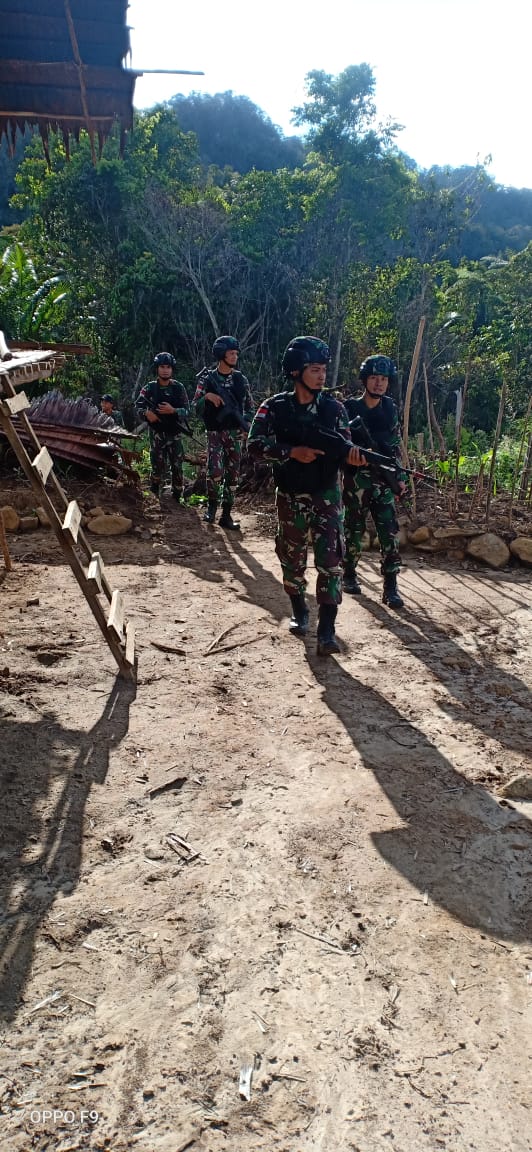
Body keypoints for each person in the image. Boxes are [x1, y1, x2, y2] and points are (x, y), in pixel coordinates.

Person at [247, 335, 366, 657]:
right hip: (290, 495)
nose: (322, 376)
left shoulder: (335, 409)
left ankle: (327, 630)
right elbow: (254, 446)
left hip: (326, 494)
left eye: (324, 369)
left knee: (331, 560)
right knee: (291, 557)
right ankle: (300, 611)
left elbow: (345, 447)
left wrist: (353, 459)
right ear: (297, 371)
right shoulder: (273, 407)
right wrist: (290, 452)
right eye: (315, 369)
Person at [343, 354, 407, 608]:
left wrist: (399, 478)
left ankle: (390, 585)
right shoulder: (349, 408)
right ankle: (348, 573)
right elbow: (339, 444)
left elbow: (394, 446)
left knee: (389, 532)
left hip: (383, 479)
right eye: (374, 378)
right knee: (353, 529)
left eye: (384, 379)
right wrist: (350, 458)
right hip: (357, 480)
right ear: (364, 381)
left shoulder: (390, 408)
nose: (379, 383)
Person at [193, 335, 254, 530]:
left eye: (236, 353)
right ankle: (211, 508)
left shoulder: (240, 379)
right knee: (215, 471)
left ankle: (226, 514)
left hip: (235, 433)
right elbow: (194, 406)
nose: (235, 356)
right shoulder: (207, 379)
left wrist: (247, 426)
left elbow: (249, 406)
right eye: (231, 353)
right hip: (214, 432)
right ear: (221, 355)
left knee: (233, 475)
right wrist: (208, 397)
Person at [135, 352, 190, 501]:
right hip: (157, 433)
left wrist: (173, 410)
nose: (165, 370)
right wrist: (147, 413)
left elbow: (188, 410)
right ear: (157, 369)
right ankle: (154, 493)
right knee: (157, 464)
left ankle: (177, 495)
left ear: (172, 369)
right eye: (162, 367)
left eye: (168, 367)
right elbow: (138, 406)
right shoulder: (150, 388)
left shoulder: (179, 388)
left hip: (175, 433)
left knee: (177, 465)